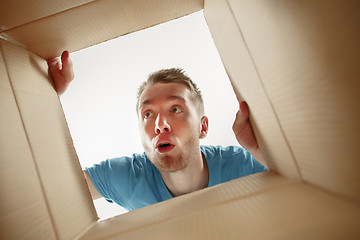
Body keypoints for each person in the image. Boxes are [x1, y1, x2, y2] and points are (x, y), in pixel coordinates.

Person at [48, 51, 267, 211]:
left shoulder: (243, 164)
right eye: (148, 114)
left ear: (203, 127)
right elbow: (49, 194)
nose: (160, 124)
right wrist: (46, 95)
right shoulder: (127, 178)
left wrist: (259, 150)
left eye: (175, 109)